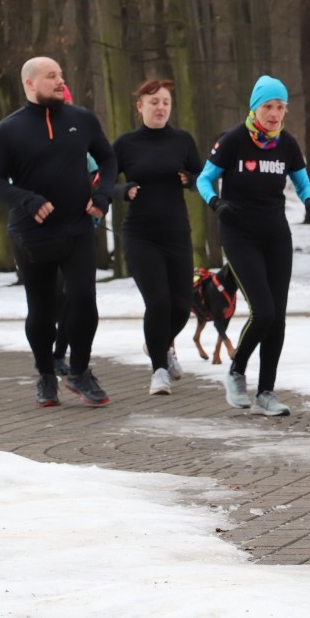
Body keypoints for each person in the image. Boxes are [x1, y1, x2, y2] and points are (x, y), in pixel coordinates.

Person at [0, 56, 116, 407]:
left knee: (84, 300)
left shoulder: (81, 119)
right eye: (51, 76)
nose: (60, 81)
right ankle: (45, 374)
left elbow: (108, 159)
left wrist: (102, 195)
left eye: (61, 74)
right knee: (41, 311)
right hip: (33, 234)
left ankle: (80, 372)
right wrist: (26, 200)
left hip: (77, 228)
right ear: (30, 84)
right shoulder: (8, 129)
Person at [196, 75, 310, 416]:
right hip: (239, 235)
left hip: (276, 236)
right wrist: (215, 203)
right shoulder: (233, 140)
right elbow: (204, 178)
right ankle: (236, 372)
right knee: (262, 311)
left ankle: (266, 392)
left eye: (280, 107)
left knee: (277, 318)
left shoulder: (287, 144)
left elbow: (301, 178)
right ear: (255, 107)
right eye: (268, 106)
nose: (275, 113)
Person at [113, 78, 203, 396]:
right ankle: (159, 371)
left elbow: (203, 176)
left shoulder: (182, 140)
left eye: (165, 102)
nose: (161, 107)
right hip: (141, 235)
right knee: (158, 302)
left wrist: (191, 178)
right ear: (140, 107)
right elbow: (102, 183)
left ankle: (160, 346)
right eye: (153, 102)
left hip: (177, 233)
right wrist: (123, 190)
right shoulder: (125, 144)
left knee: (182, 305)